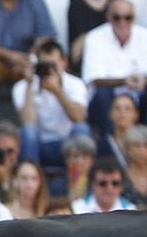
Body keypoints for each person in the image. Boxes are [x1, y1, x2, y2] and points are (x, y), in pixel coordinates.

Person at [81, 0, 147, 143]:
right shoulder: (95, 37)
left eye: (128, 18)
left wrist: (144, 80)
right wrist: (124, 81)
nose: (123, 22)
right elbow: (94, 79)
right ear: (108, 18)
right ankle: (110, 148)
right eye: (117, 18)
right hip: (109, 99)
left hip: (140, 97)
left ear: (134, 18)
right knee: (102, 95)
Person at [14, 37, 90, 177]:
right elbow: (27, 122)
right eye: (44, 65)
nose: (49, 70)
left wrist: (57, 90)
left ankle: (79, 182)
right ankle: (29, 179)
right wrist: (30, 83)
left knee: (81, 128)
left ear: (64, 62)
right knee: (28, 131)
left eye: (53, 65)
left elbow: (79, 117)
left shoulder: (76, 84)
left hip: (67, 145)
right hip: (39, 145)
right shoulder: (22, 87)